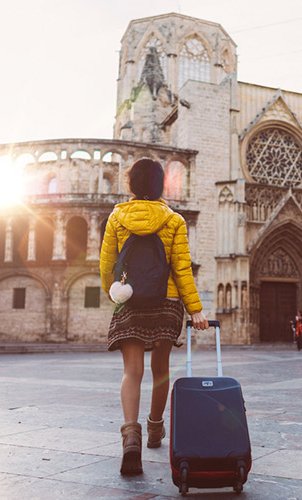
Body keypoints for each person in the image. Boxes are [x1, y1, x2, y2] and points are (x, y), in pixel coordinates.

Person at [99, 158, 207, 476]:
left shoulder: (117, 217)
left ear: (131, 184)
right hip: (167, 301)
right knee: (160, 370)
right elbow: (182, 269)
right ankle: (155, 428)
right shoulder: (173, 220)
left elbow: (107, 264)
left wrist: (114, 292)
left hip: (130, 299)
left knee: (132, 372)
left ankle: (131, 435)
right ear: (161, 185)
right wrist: (195, 309)